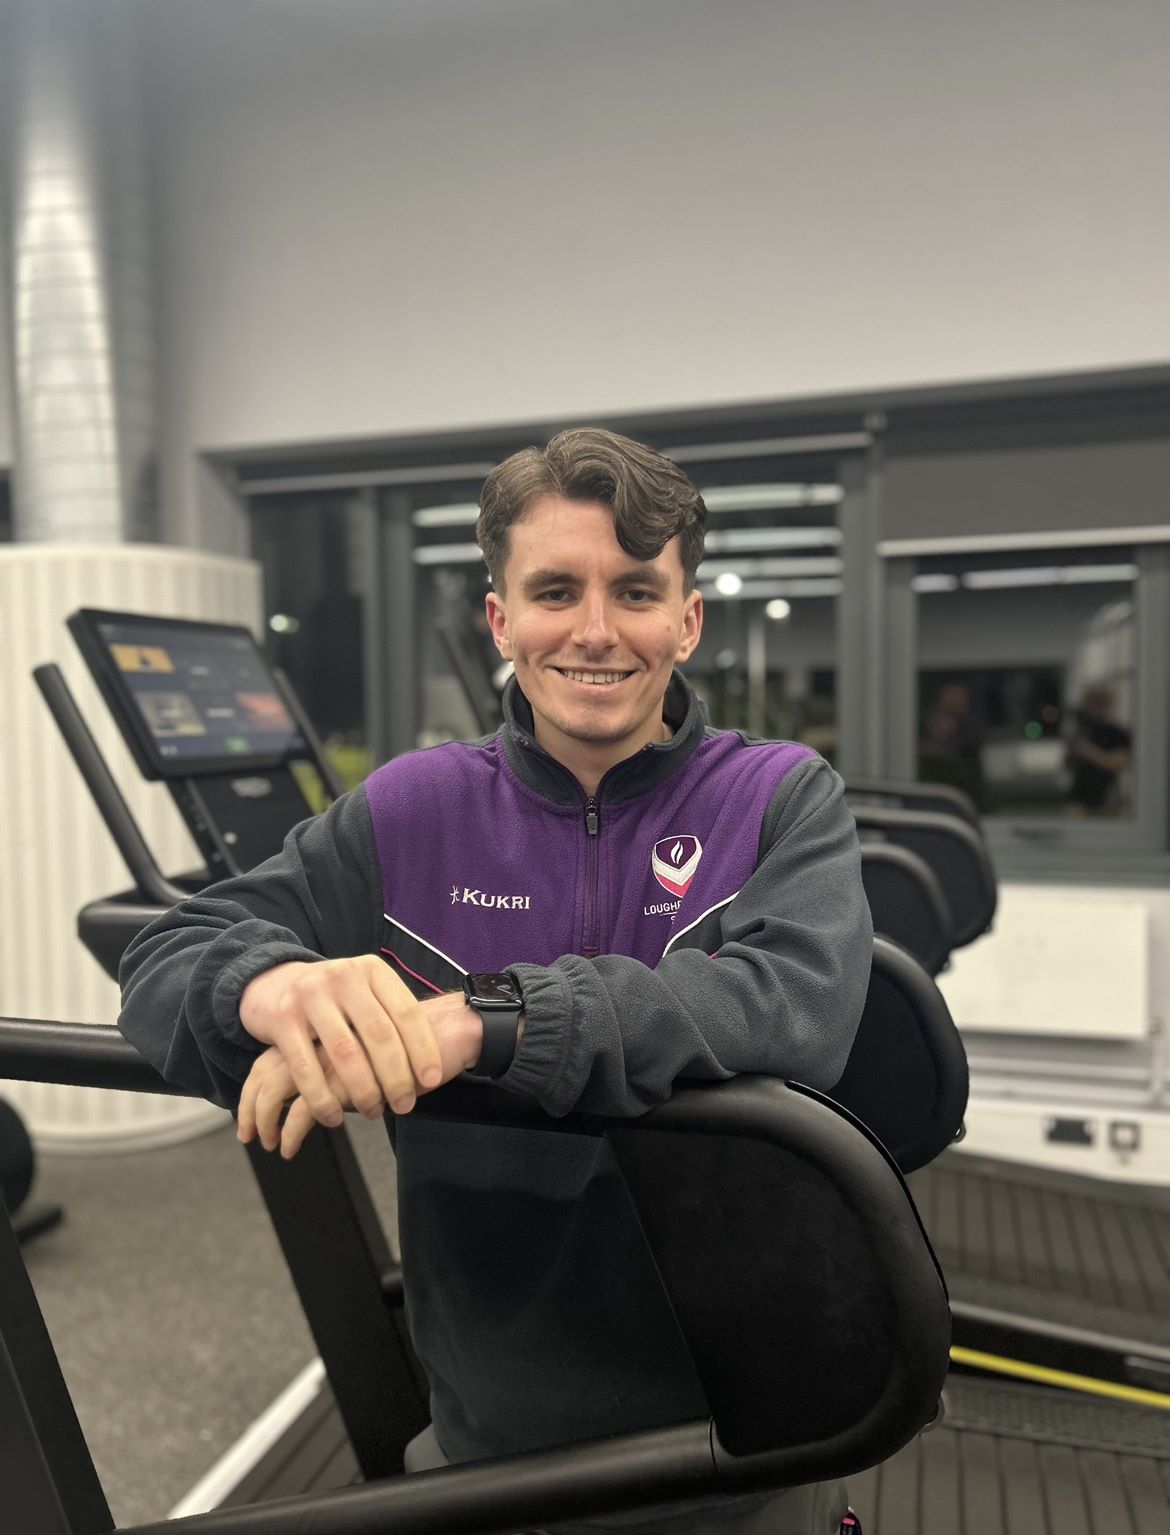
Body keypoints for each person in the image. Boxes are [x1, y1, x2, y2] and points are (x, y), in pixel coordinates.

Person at [119, 428, 872, 1534]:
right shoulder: (413, 807)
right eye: (555, 590)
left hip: (743, 1428)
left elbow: (792, 1006)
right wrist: (270, 984)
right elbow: (166, 954)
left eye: (637, 590)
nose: (597, 630)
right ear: (501, 620)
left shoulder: (779, 795)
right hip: (497, 1435)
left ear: (688, 619)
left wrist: (491, 1019)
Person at [1065, 684, 1133, 815]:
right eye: (1089, 703)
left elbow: (1119, 762)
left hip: (1104, 800)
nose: (1091, 708)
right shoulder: (1084, 730)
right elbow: (1069, 764)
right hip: (1077, 800)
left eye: (1096, 703)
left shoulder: (1116, 732)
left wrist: (1089, 752)